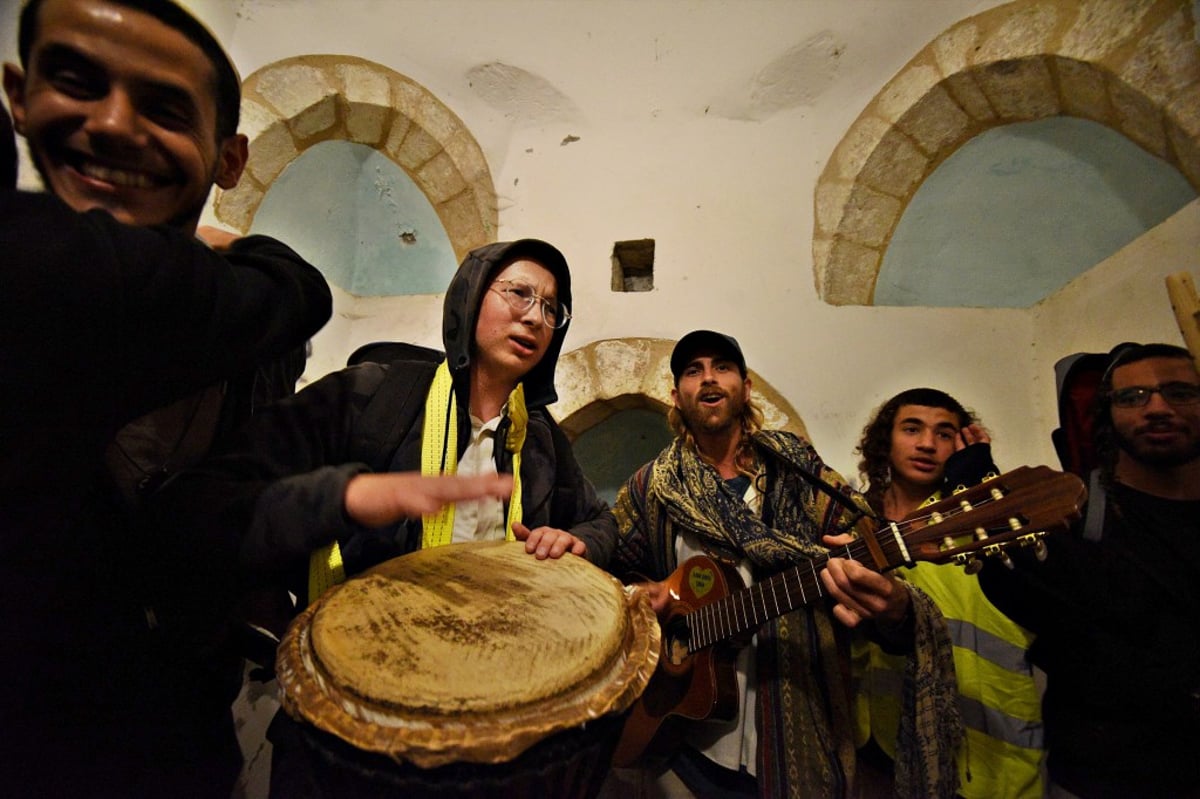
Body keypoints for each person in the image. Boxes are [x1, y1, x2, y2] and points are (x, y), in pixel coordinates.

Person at [0, 0, 337, 794]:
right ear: (18, 97)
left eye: (163, 108)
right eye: (78, 81)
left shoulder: (261, 334)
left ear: (228, 159)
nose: (115, 125)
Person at [148, 237, 611, 796]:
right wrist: (340, 499)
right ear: (470, 297)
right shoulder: (371, 396)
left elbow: (600, 523)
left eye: (550, 308)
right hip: (345, 726)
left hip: (479, 728)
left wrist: (574, 542)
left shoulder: (538, 439)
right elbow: (202, 501)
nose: (535, 317)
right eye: (519, 293)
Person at [595, 331, 962, 799]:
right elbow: (611, 574)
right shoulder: (652, 485)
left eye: (722, 366)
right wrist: (643, 595)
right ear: (676, 395)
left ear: (745, 388)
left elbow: (866, 572)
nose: (708, 377)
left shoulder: (799, 469)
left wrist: (893, 608)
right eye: (693, 370)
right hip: (684, 745)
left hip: (795, 743)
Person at [979, 342, 1200, 799]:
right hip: (1108, 778)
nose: (1157, 408)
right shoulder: (1070, 520)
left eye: (1179, 392)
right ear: (1106, 415)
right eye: (1133, 397)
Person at [853, 388, 1044, 798]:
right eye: (911, 429)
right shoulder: (860, 522)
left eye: (944, 433)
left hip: (987, 762)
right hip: (883, 746)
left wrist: (978, 482)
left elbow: (1038, 584)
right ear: (885, 440)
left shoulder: (987, 521)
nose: (926, 443)